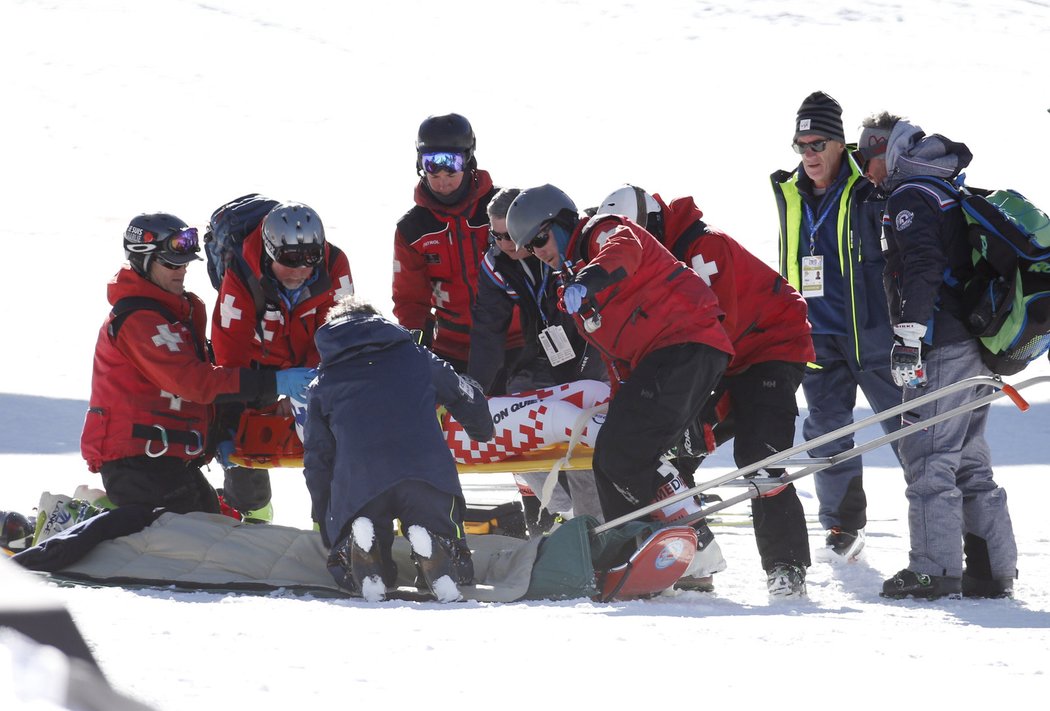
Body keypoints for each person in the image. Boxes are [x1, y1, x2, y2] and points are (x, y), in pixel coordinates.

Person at [505, 184, 734, 589]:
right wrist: (618, 398)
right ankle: (686, 553)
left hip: (684, 343)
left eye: (539, 238)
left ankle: (633, 550)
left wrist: (588, 281)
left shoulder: (601, 231)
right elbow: (614, 355)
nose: (537, 250)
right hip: (672, 356)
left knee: (618, 453)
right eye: (528, 247)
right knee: (623, 454)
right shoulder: (571, 285)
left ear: (560, 222)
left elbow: (623, 252)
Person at [598, 185, 815, 595]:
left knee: (760, 459)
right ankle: (689, 561)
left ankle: (786, 567)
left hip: (770, 348)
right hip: (725, 360)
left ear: (652, 225)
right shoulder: (654, 265)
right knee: (671, 457)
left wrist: (691, 405)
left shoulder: (704, 248)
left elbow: (715, 330)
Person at [858, 112, 1018, 599]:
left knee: (928, 456)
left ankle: (934, 568)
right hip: (974, 344)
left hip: (942, 345)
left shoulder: (911, 195)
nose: (864, 170)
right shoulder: (945, 187)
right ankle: (992, 571)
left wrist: (908, 334)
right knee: (968, 460)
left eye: (866, 157)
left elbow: (923, 265)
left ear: (885, 150)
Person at [80, 213, 314, 514]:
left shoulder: (177, 316)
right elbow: (193, 383)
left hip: (171, 462)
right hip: (137, 462)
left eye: (185, 263)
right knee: (191, 545)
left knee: (221, 528)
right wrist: (275, 382)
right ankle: (81, 519)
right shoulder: (138, 321)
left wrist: (222, 434)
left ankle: (100, 511)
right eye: (171, 264)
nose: (182, 271)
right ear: (143, 261)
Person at [770, 91, 903, 558]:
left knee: (910, 429)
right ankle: (842, 527)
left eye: (816, 144)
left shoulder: (868, 184)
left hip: (874, 335)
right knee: (826, 433)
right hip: (816, 336)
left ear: (838, 144)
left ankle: (942, 524)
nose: (807, 155)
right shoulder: (789, 192)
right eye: (800, 145)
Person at [302, 296, 494, 603]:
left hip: (361, 482)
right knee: (446, 533)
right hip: (426, 472)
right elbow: (463, 392)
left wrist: (330, 529)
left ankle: (365, 550)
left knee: (356, 529)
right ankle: (439, 547)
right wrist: (482, 429)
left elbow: (317, 461)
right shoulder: (418, 357)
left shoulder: (323, 381)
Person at [468, 188, 607, 524]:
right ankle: (561, 506)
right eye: (497, 236)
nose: (508, 244)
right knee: (511, 407)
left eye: (513, 235)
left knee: (578, 426)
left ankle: (595, 525)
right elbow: (488, 332)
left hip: (592, 348)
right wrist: (473, 391)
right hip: (548, 351)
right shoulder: (496, 264)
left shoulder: (555, 246)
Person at [210, 201, 353, 522]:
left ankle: (335, 522)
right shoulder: (241, 274)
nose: (301, 271)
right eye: (289, 260)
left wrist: (311, 386)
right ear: (269, 251)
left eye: (310, 259)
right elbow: (228, 355)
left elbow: (341, 332)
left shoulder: (334, 265)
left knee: (335, 438)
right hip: (256, 364)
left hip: (313, 363)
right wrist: (228, 421)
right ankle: (250, 512)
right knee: (244, 445)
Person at [392, 113, 523, 387]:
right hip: (452, 352)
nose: (442, 179)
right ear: (419, 164)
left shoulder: (504, 209)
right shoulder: (413, 230)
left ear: (469, 158)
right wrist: (415, 350)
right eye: (432, 168)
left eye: (452, 167)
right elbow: (410, 300)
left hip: (518, 343)